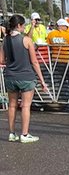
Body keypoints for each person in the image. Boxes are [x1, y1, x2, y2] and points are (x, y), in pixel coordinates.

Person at [1, 14, 50, 143]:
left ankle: (12, 133)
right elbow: (34, 62)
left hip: (10, 76)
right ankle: (25, 134)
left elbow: (1, 60)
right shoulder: (26, 40)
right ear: (19, 25)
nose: (24, 27)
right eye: (23, 25)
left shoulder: (5, 40)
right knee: (25, 106)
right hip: (26, 76)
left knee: (12, 105)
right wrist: (42, 80)